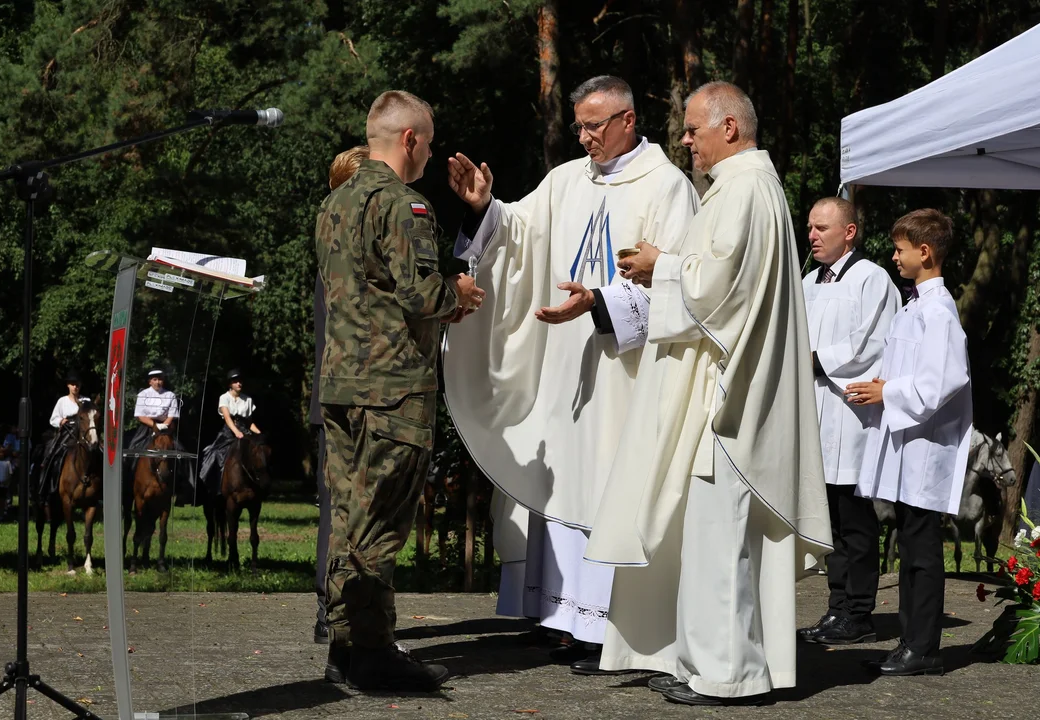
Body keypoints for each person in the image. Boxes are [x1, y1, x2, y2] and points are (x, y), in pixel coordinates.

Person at [583, 81, 833, 706]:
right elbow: (725, 279)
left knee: (721, 538)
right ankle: (709, 663)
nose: (685, 140)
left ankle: (728, 675)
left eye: (694, 129)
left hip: (730, 398)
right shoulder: (743, 188)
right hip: (731, 386)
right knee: (712, 536)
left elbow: (718, 289)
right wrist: (670, 263)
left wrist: (657, 265)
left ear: (730, 128)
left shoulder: (745, 188)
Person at [444, 75, 699, 672]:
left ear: (628, 121)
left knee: (609, 476)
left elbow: (683, 282)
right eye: (579, 125)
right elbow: (520, 235)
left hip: (625, 368)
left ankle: (606, 626)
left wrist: (602, 303)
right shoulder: (564, 181)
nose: (583, 136)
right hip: (566, 366)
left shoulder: (667, 188)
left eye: (594, 125)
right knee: (565, 476)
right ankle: (559, 616)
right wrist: (484, 208)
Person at [315, 90, 484, 691]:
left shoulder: (333, 206)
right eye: (430, 143)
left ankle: (345, 644)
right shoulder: (405, 207)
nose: (431, 154)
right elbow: (420, 296)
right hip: (391, 389)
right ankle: (373, 654)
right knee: (381, 521)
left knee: (349, 517)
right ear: (409, 139)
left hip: (339, 386)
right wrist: (457, 296)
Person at [847, 209, 972, 677]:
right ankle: (910, 640)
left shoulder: (939, 311)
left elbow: (944, 380)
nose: (894, 257)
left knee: (921, 551)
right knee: (909, 547)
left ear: (925, 252)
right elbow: (916, 374)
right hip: (908, 444)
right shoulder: (915, 306)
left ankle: (924, 646)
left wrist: (889, 392)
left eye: (900, 249)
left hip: (925, 450)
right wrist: (883, 384)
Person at [797, 198, 901, 646]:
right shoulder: (805, 283)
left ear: (850, 231)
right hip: (813, 414)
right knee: (830, 521)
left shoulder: (871, 279)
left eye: (822, 227)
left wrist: (815, 361)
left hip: (851, 414)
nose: (812, 235)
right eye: (809, 228)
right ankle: (836, 607)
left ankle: (858, 611)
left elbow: (873, 344)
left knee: (855, 519)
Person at [312, 144, 371, 646]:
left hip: (336, 389)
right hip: (352, 390)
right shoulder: (347, 254)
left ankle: (337, 619)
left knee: (341, 509)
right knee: (344, 510)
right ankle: (336, 615)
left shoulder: (335, 242)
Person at [125, 368, 196, 503]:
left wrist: (164, 425)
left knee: (181, 452)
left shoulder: (170, 395)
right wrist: (154, 425)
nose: (158, 382)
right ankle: (128, 482)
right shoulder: (143, 395)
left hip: (166, 427)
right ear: (150, 381)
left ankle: (184, 487)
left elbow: (172, 415)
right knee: (133, 450)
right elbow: (140, 415)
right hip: (147, 427)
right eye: (155, 379)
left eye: (160, 379)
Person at [199, 369, 261, 496]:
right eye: (235, 381)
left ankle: (260, 485)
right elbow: (227, 418)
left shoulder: (248, 399)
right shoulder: (224, 397)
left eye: (240, 381)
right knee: (214, 454)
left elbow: (249, 422)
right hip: (228, 432)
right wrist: (236, 432)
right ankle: (213, 486)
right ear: (230, 384)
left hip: (245, 432)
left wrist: (259, 434)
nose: (239, 384)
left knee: (260, 453)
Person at [37, 370, 90, 502]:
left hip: (84, 432)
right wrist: (60, 421)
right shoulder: (62, 401)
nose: (75, 387)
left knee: (98, 451)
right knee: (53, 452)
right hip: (67, 432)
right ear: (68, 385)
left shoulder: (86, 401)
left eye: (77, 384)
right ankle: (46, 484)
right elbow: (53, 419)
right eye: (72, 384)